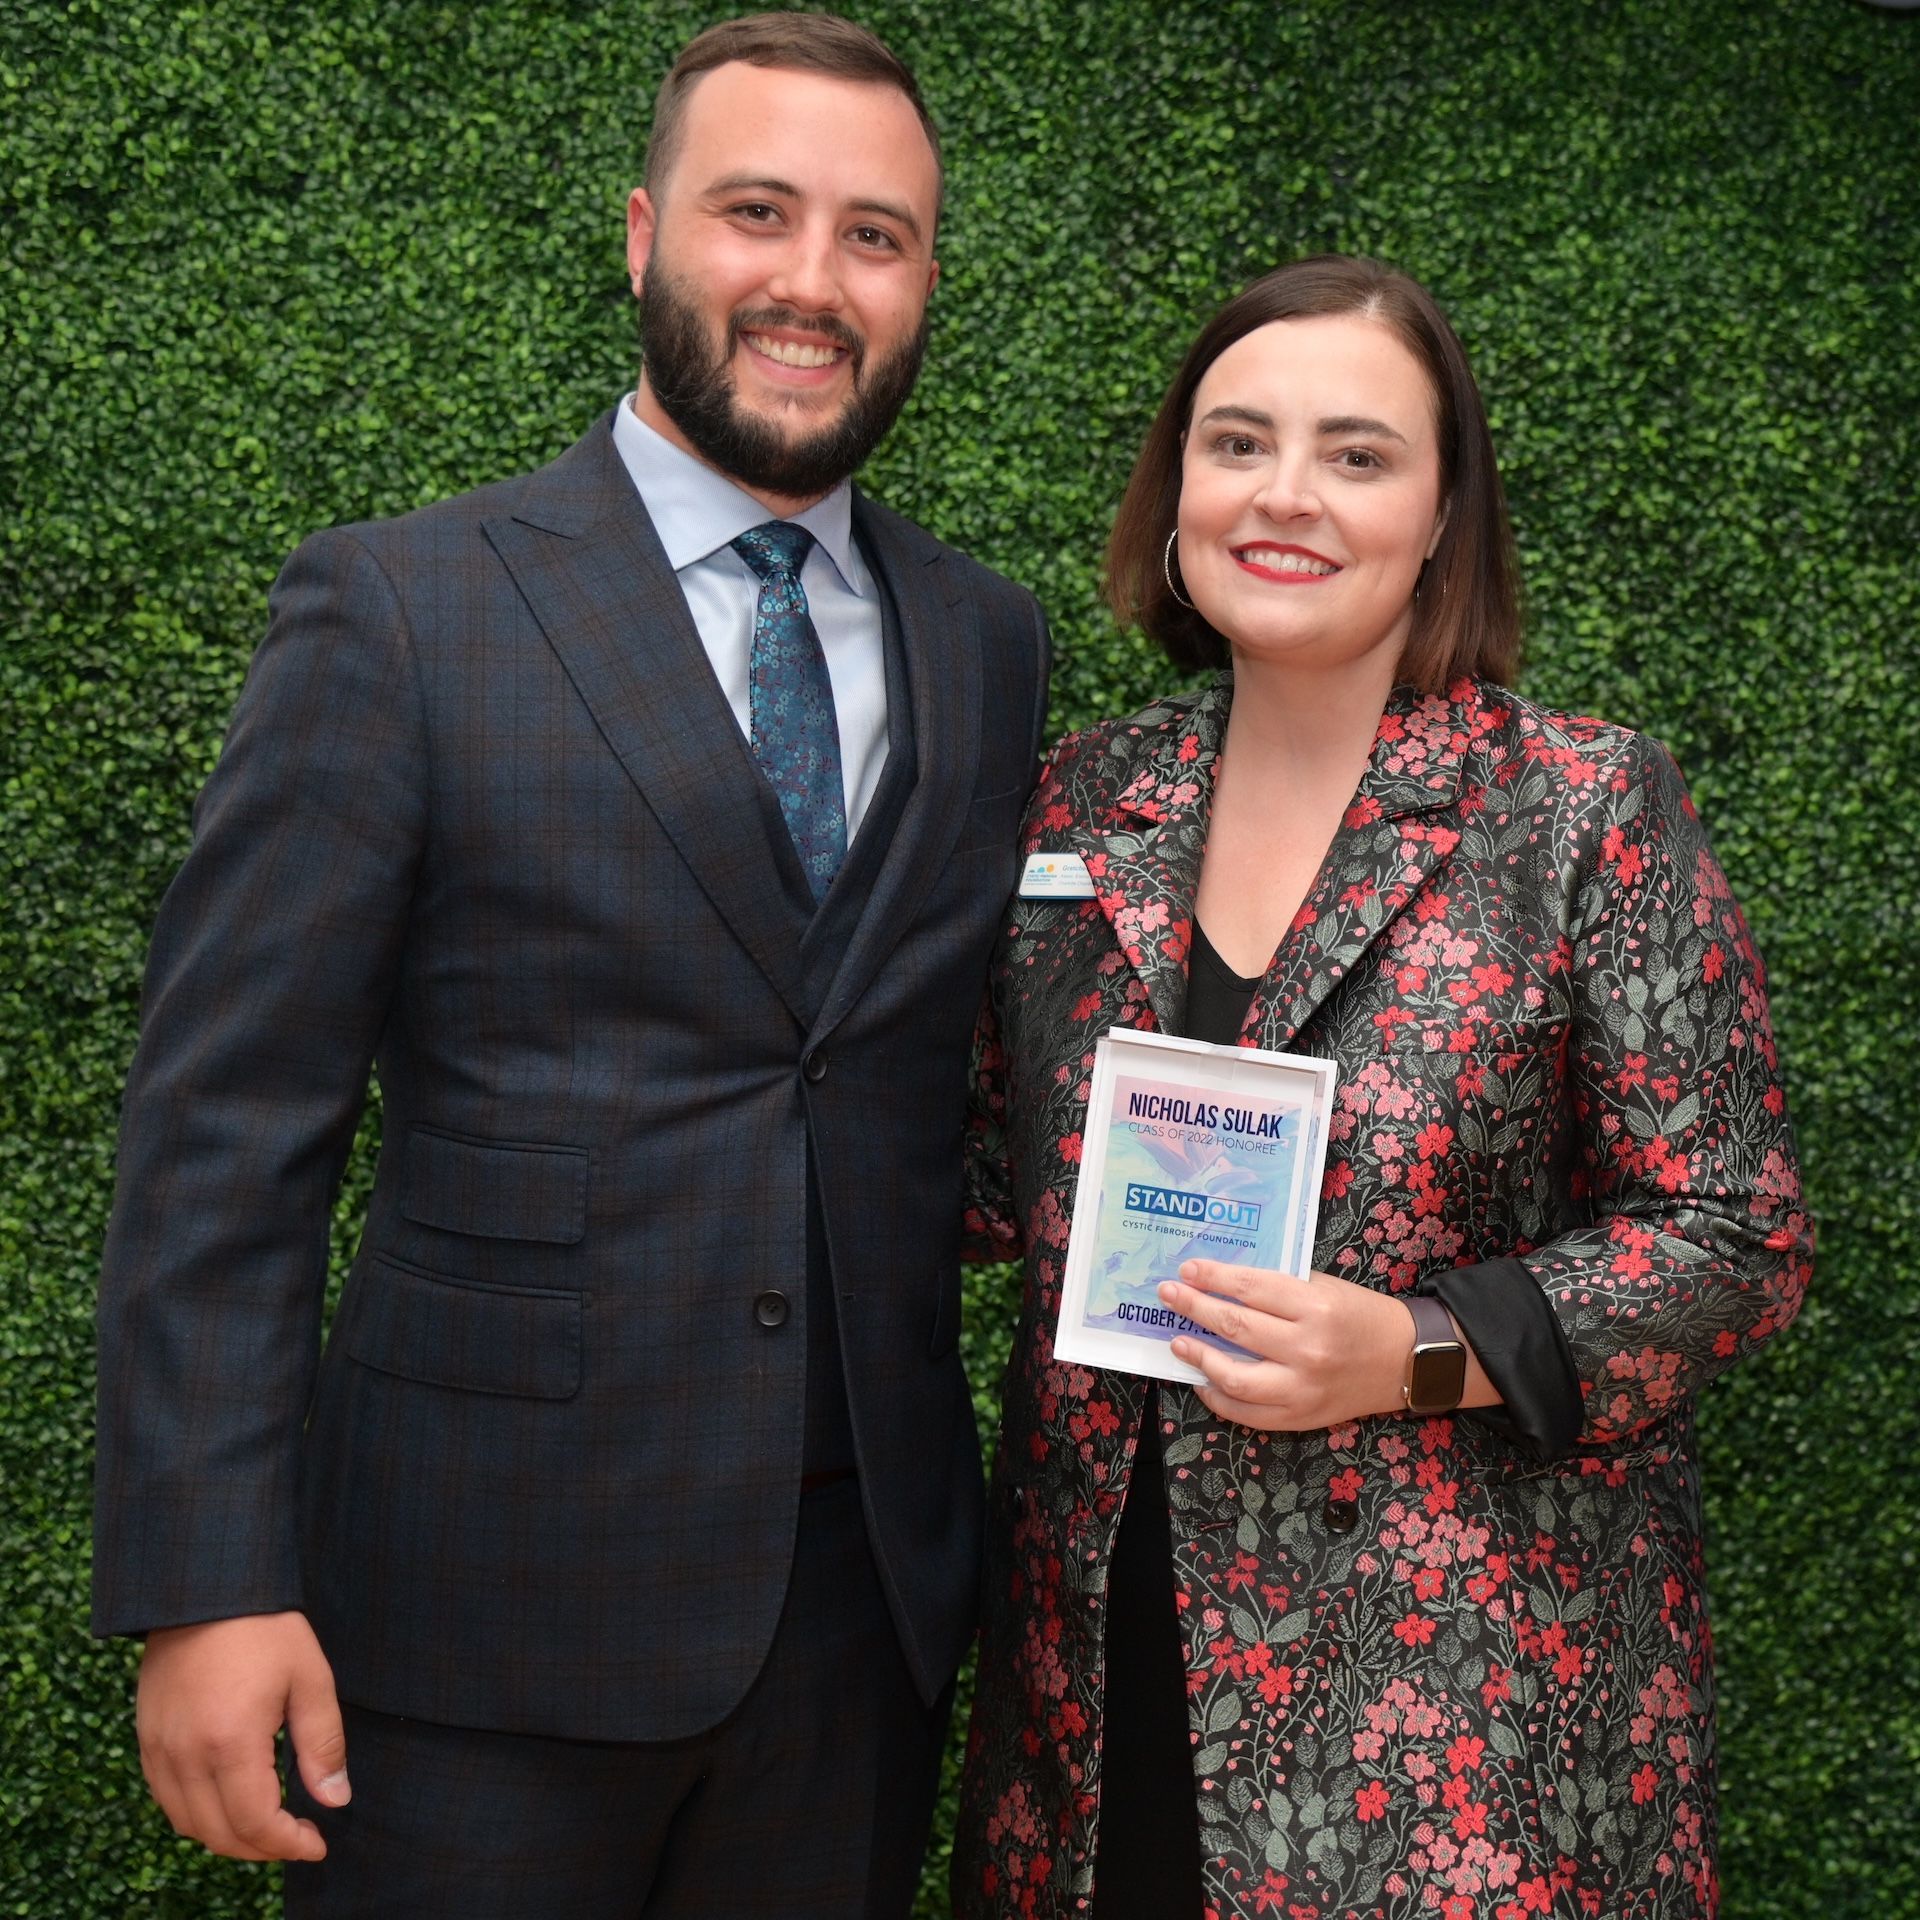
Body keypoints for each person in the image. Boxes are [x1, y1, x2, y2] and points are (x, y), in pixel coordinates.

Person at [91, 12, 1050, 1916]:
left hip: (856, 1641)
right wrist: (207, 1584)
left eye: (875, 235)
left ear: (926, 280)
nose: (813, 279)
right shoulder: (404, 606)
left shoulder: (987, 642)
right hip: (468, 1633)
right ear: (640, 236)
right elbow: (227, 1128)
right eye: (756, 211)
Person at [952, 255, 1810, 1920]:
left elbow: (1736, 1236)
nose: (1285, 494)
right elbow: (984, 1173)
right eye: (1237, 443)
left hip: (1451, 1734)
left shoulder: (1579, 809)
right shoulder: (1080, 800)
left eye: (1357, 454)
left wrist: (1417, 1350)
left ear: (1442, 517)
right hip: (1097, 1700)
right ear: (1179, 490)